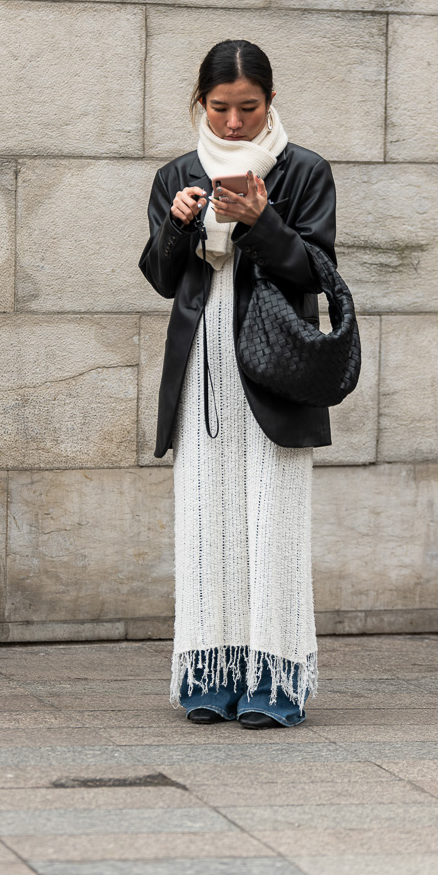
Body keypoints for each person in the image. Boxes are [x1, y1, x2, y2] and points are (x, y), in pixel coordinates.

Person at [138, 39, 337, 729]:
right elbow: (164, 279)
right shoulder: (176, 175)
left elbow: (314, 272)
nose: (232, 124)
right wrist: (178, 224)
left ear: (271, 102)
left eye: (247, 108)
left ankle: (275, 682)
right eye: (220, 108)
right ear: (202, 103)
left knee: (271, 522)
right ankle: (212, 672)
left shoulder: (304, 171)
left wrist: (262, 222)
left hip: (274, 372)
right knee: (206, 521)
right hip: (201, 372)